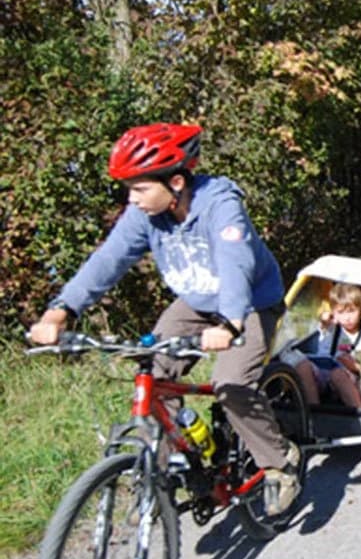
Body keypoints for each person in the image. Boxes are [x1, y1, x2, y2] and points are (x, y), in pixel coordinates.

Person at [28, 123, 301, 517]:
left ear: (175, 182)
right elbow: (108, 260)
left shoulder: (220, 204)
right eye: (129, 190)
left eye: (139, 189)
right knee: (152, 377)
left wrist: (230, 324)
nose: (132, 199)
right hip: (194, 303)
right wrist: (61, 310)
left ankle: (279, 462)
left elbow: (235, 262)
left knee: (231, 384)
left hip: (250, 305)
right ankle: (166, 471)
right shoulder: (144, 217)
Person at [283, 282, 361, 408]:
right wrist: (325, 318)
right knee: (303, 366)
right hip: (321, 370)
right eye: (341, 312)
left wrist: (354, 366)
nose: (347, 318)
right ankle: (313, 412)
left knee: (338, 375)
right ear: (334, 312)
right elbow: (321, 321)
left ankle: (360, 412)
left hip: (346, 373)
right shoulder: (330, 327)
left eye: (351, 311)